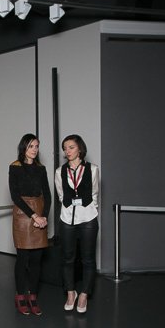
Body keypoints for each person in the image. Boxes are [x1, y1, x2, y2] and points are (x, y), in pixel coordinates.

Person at [54, 134, 100, 314]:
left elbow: (94, 194)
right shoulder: (60, 171)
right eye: (65, 148)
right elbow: (60, 195)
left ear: (80, 148)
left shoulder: (93, 169)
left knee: (88, 259)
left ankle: (84, 295)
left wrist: (88, 209)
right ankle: (70, 292)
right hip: (67, 218)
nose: (67, 151)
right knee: (67, 259)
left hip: (88, 217)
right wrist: (69, 206)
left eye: (71, 147)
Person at [8, 134, 51, 316]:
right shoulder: (15, 167)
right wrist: (34, 216)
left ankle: (32, 297)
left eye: (36, 146)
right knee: (22, 258)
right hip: (23, 214)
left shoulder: (41, 169)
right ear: (23, 147)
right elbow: (15, 196)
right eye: (31, 146)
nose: (34, 149)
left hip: (40, 214)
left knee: (36, 260)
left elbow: (47, 195)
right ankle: (20, 296)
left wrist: (44, 216)